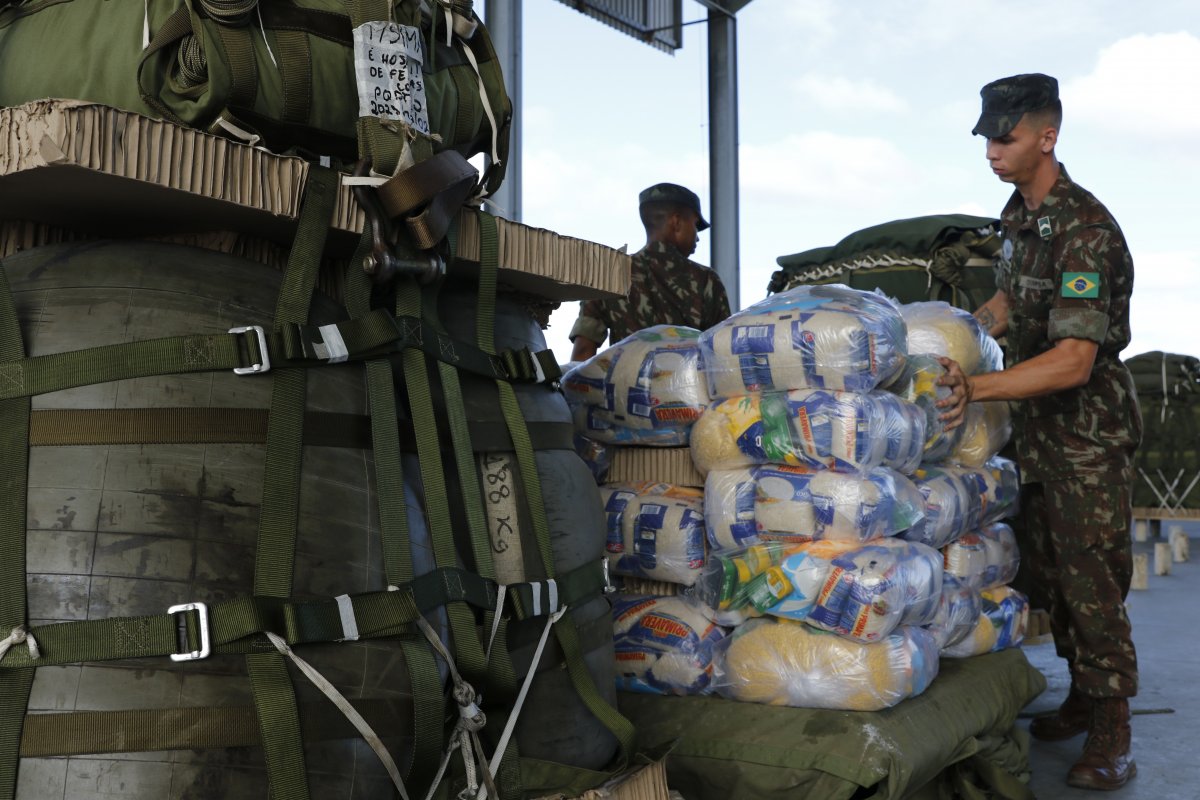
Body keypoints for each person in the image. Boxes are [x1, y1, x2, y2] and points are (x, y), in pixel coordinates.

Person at [937, 73, 1142, 791]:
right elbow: (1009, 300)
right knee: (1048, 573)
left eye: (1007, 137)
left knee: (1091, 578)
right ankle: (1082, 695)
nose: (992, 150)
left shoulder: (1085, 229)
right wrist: (960, 332)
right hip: (1035, 434)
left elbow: (1073, 360)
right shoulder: (1020, 220)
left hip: (1084, 435)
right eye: (988, 137)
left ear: (1047, 136)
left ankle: (1113, 722)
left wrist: (977, 387)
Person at [569, 183, 731, 361]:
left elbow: (583, 351)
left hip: (623, 387)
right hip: (689, 387)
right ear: (676, 222)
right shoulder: (706, 280)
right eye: (695, 224)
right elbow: (724, 354)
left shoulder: (609, 273)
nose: (697, 236)